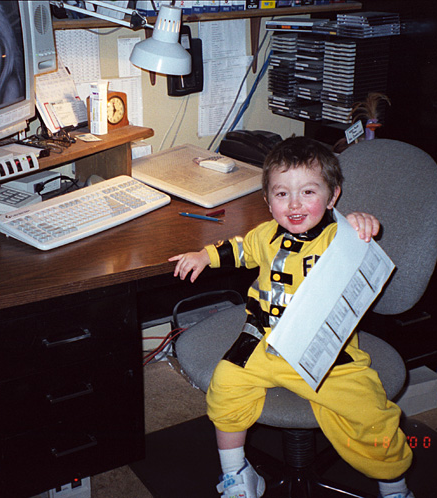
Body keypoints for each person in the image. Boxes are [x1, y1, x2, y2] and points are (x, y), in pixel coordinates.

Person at [169, 136, 414, 498]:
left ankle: (395, 487)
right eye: (282, 194)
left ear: (332, 197)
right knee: (225, 386)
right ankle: (237, 474)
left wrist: (360, 223)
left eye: (309, 193)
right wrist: (206, 255)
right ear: (268, 202)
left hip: (330, 351)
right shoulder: (266, 235)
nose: (294, 203)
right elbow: (240, 249)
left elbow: (363, 251)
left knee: (370, 415)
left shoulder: (339, 236)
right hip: (265, 344)